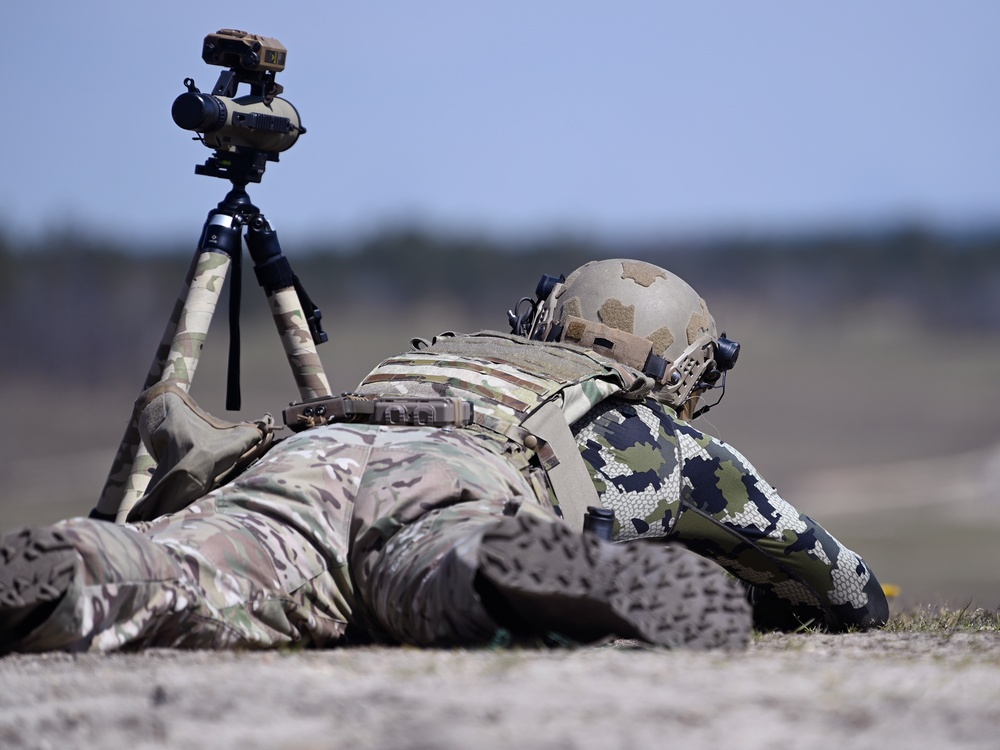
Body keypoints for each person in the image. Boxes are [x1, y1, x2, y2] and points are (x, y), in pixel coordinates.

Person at [0, 259, 887, 655]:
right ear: (677, 368)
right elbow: (841, 588)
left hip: (316, 450)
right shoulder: (655, 433)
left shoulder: (437, 350)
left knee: (187, 575)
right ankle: (511, 572)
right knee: (433, 568)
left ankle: (76, 566)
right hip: (469, 474)